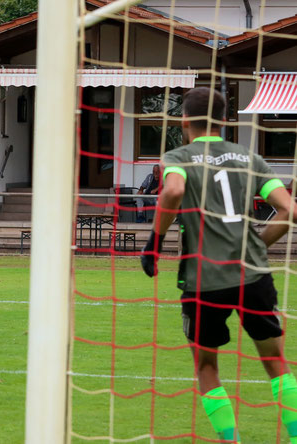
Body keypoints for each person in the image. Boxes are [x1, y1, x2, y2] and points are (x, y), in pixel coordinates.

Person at [140, 87, 297, 443]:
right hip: (252, 273)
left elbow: (174, 192)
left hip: (204, 278)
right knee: (276, 365)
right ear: (225, 121)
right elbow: (289, 210)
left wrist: (154, 243)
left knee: (208, 366)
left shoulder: (177, 157)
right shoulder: (249, 158)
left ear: (184, 121)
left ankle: (231, 440)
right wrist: (257, 244)